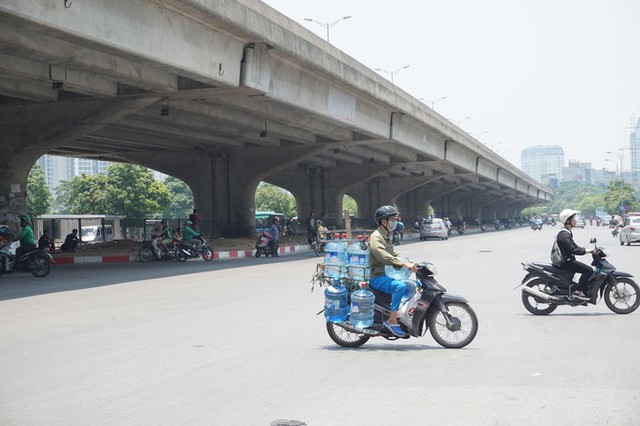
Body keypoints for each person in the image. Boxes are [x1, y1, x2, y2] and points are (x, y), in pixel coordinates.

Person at [368, 205, 417, 337]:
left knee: (412, 286)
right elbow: (383, 256)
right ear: (384, 221)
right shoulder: (376, 237)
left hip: (387, 274)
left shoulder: (386, 236)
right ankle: (392, 320)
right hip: (377, 277)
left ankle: (400, 314)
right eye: (392, 219)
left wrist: (409, 263)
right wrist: (403, 263)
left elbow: (393, 255)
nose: (395, 222)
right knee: (399, 287)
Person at [556, 209, 596, 299]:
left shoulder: (566, 232)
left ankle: (580, 289)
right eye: (573, 218)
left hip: (568, 260)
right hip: (566, 262)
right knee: (588, 270)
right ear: (567, 221)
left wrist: (587, 250)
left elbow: (574, 246)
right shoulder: (564, 234)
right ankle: (578, 292)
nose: (575, 220)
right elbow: (573, 249)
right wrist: (588, 251)